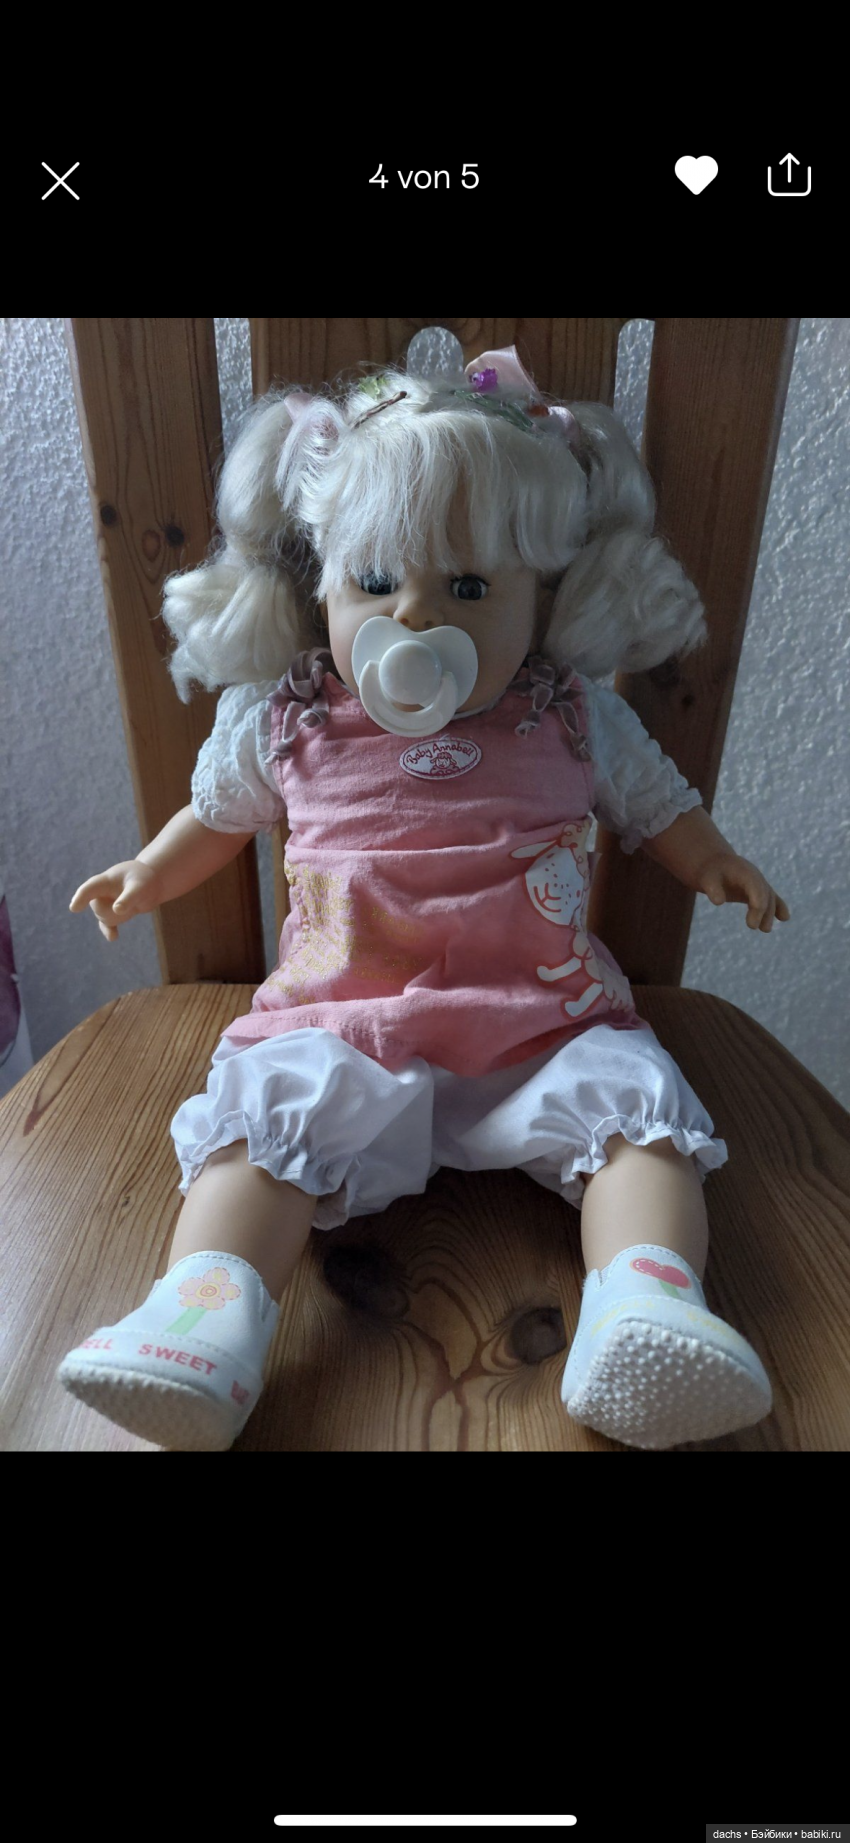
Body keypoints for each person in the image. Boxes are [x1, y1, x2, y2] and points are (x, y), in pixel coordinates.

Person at [58, 346, 788, 1451]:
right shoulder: (288, 718)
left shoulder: (569, 715)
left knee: (641, 1120)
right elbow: (214, 818)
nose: (412, 616)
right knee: (262, 1132)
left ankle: (646, 1303)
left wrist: (714, 861)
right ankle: (202, 1321)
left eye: (469, 588)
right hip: (340, 1027)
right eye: (374, 579)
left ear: (544, 602)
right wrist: (145, 873)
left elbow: (658, 808)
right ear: (318, 585)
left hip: (544, 1031)